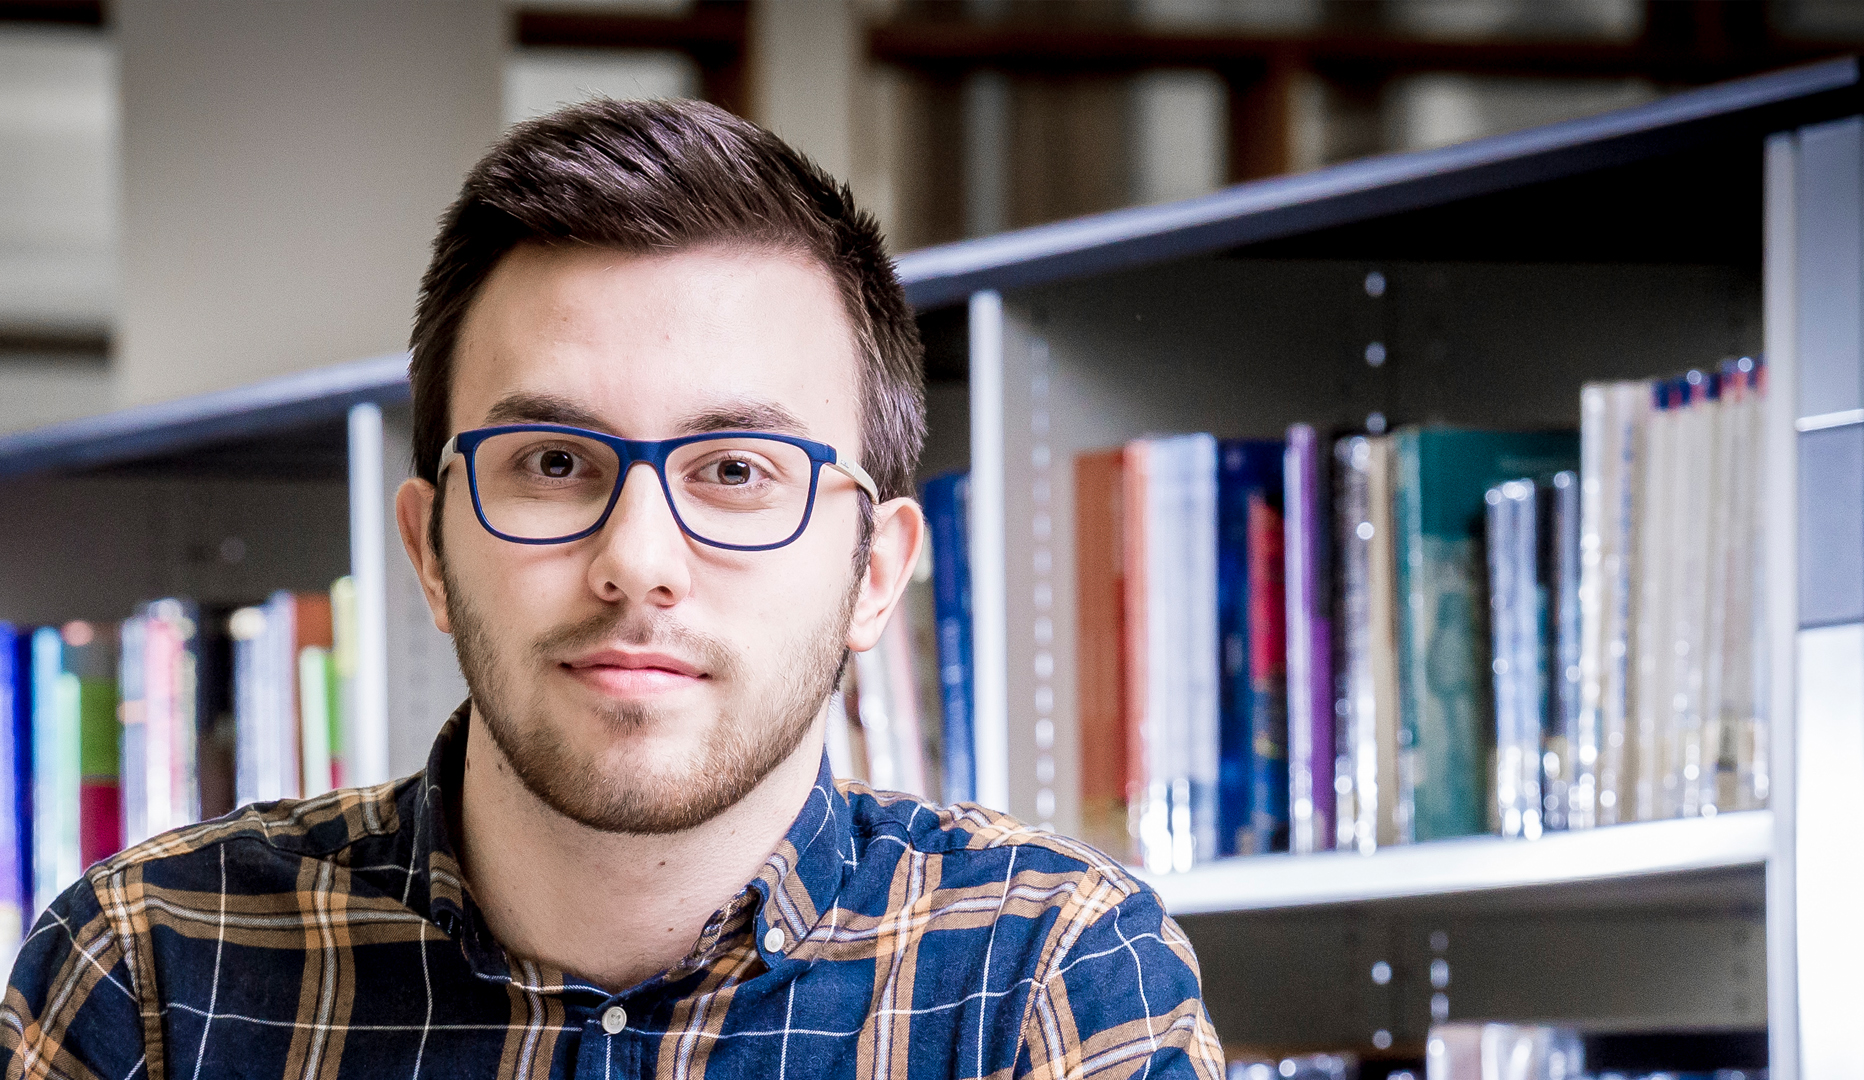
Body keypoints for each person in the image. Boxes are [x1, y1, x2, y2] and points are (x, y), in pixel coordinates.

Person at [1, 99, 1221, 1079]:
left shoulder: (1047, 980)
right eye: (551, 463)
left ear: (875, 572)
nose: (638, 559)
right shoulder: (152, 973)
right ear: (429, 550)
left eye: (739, 470)